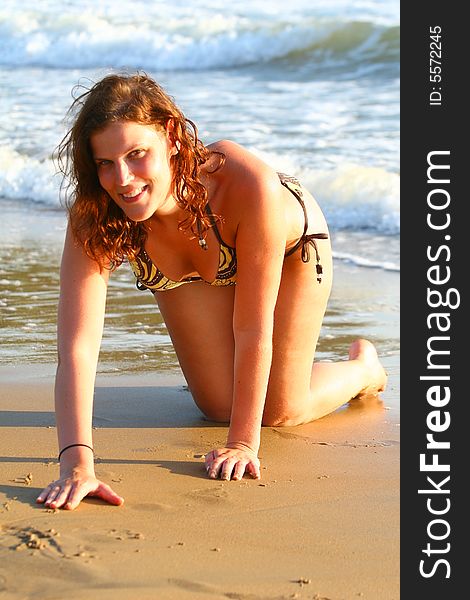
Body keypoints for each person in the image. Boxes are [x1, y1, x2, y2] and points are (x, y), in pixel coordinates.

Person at [36, 73, 387, 511]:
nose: (122, 178)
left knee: (277, 411)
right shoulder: (98, 211)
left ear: (171, 137)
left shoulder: (247, 184)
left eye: (136, 154)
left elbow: (252, 328)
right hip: (188, 261)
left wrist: (243, 443)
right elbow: (77, 348)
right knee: (217, 405)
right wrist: (76, 465)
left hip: (289, 245)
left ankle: (362, 368)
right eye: (105, 162)